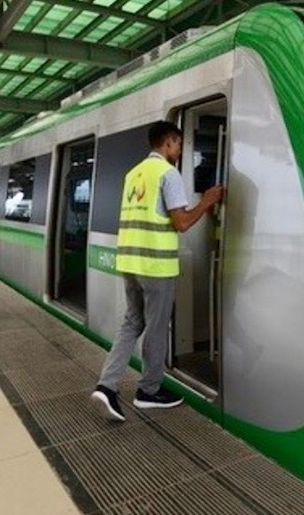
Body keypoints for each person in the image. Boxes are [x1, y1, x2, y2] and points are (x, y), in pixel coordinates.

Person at [91, 120, 224, 421]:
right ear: (168, 143)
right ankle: (148, 391)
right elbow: (182, 223)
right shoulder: (168, 173)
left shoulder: (134, 174)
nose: (180, 149)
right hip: (155, 265)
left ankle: (107, 385)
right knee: (156, 325)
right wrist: (207, 201)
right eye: (178, 144)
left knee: (132, 322)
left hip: (129, 262)